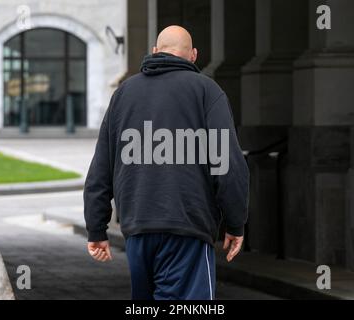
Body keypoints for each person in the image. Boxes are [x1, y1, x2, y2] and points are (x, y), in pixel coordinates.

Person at [84, 25, 249, 300]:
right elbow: (227, 165)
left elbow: (102, 166)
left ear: (154, 52)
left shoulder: (124, 94)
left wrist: (96, 228)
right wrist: (235, 223)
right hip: (187, 227)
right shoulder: (207, 91)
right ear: (194, 55)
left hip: (137, 229)